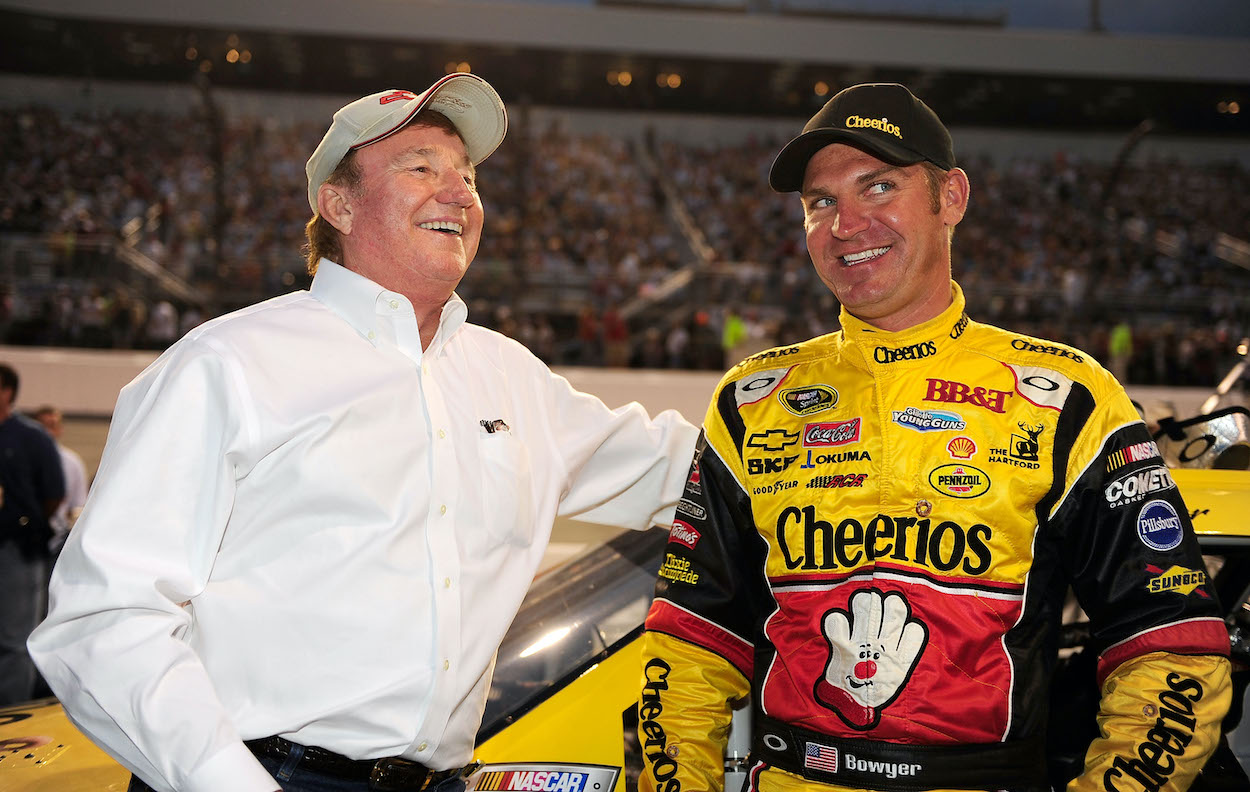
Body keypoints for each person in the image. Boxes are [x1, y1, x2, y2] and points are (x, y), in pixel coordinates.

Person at [29, 73, 697, 792]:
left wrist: (825, 421)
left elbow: (686, 469)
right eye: (422, 168)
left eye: (467, 175)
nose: (460, 192)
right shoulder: (226, 365)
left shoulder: (511, 378)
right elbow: (104, 617)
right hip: (256, 772)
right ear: (338, 205)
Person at [637, 83, 1231, 792]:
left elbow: (1172, 645)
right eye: (820, 202)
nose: (846, 224)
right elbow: (690, 646)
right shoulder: (751, 400)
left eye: (879, 186)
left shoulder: (1070, 399)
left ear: (951, 198)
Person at [0, 363, 65, 706]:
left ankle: (10, 714)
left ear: (6, 392)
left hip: (16, 547)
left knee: (14, 638)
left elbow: (55, 493)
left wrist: (27, 522)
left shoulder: (30, 437)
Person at [32, 405, 89, 554]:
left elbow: (78, 507)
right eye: (42, 426)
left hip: (61, 538)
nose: (47, 431)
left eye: (52, 426)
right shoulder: (24, 460)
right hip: (30, 535)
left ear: (60, 429)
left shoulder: (72, 462)